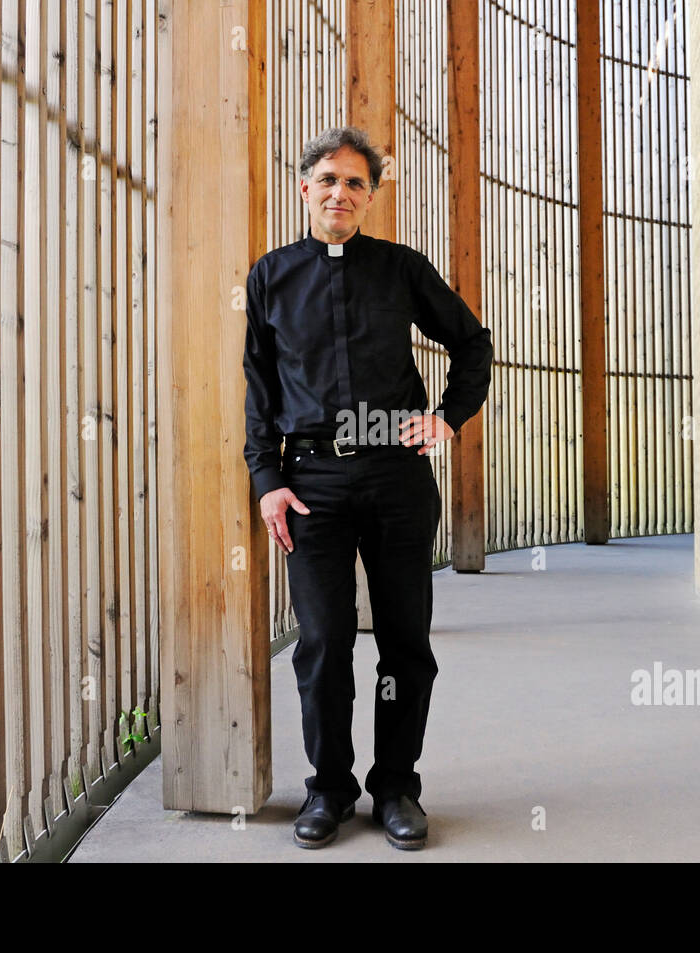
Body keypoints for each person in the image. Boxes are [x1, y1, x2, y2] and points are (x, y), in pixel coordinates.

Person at [243, 126, 493, 850]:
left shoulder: (401, 269)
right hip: (311, 479)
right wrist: (267, 480)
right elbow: (259, 390)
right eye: (327, 179)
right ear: (304, 188)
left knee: (404, 642)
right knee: (321, 642)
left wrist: (446, 418)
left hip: (396, 476)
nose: (340, 193)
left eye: (355, 183)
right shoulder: (270, 277)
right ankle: (328, 787)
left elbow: (471, 342)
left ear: (372, 197)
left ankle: (396, 787)